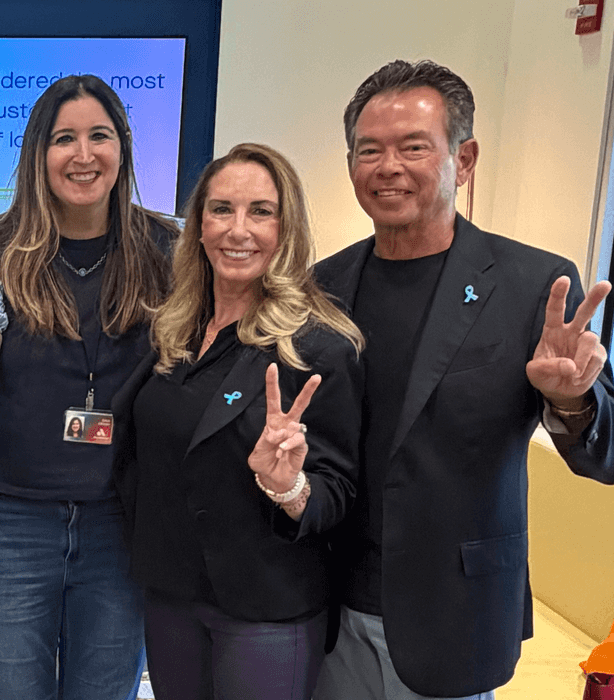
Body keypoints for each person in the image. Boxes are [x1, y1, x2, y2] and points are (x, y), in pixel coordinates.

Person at [313, 59, 614, 700]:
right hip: (328, 610)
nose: (387, 166)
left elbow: (610, 453)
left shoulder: (534, 284)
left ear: (465, 157)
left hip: (453, 614)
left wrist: (571, 400)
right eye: (369, 150)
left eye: (413, 147)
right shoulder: (323, 286)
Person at [0, 74, 177, 700]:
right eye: (63, 138)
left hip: (120, 523)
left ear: (123, 147)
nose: (83, 155)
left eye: (99, 136)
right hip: (5, 520)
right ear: (37, 155)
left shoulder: (171, 249)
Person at [111, 143, 364, 700]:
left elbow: (339, 489)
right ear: (198, 225)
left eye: (261, 212)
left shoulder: (318, 345)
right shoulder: (172, 331)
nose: (238, 229)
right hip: (172, 593)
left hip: (264, 608)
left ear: (286, 228)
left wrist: (291, 487)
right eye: (221, 209)